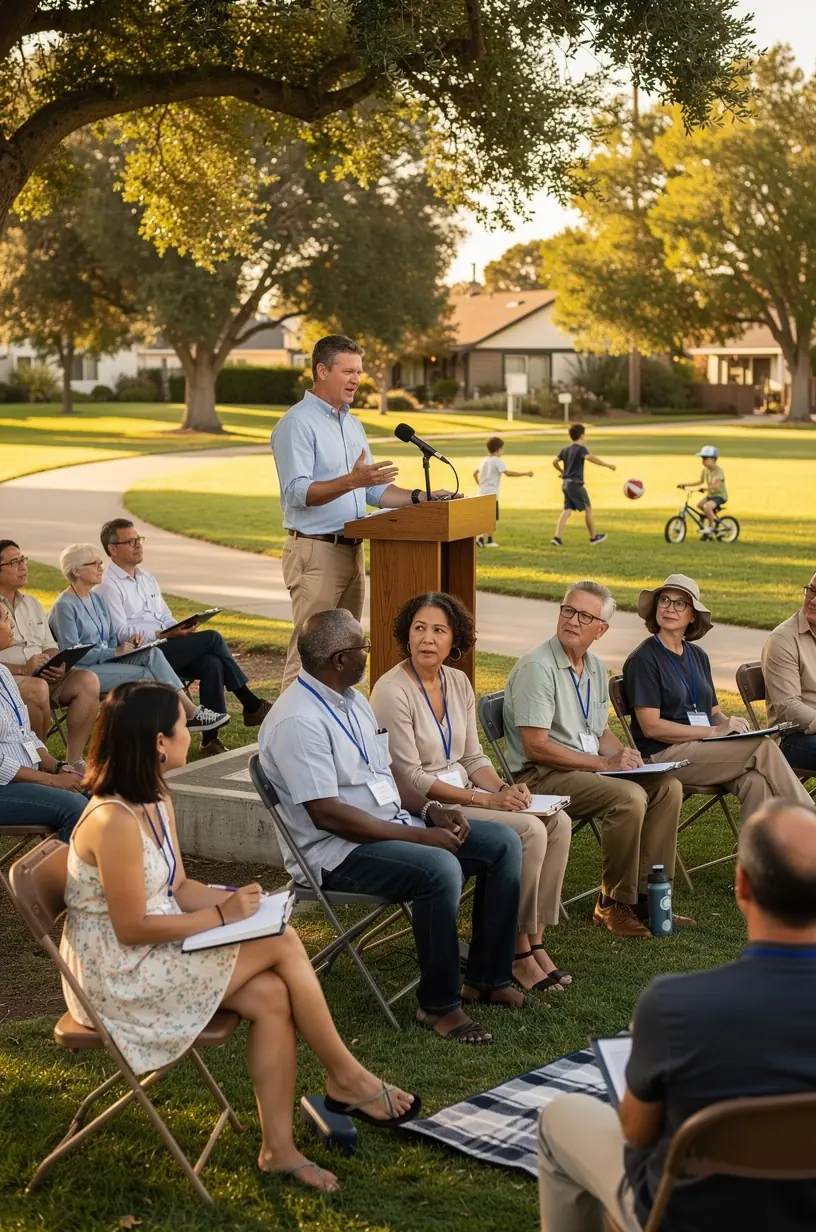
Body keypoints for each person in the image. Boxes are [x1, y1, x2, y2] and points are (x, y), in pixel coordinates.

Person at [60, 680, 420, 1194]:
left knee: (273, 994)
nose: (191, 732)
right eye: (183, 725)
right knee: (281, 944)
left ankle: (278, 1150)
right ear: (159, 742)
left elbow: (179, 887)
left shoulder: (157, 795)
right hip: (116, 978)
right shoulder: (112, 820)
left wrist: (240, 899)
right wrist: (224, 916)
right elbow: (130, 927)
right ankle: (348, 1076)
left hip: (153, 950)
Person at [537, 798, 816, 1232]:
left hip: (690, 1217)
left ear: (743, 887)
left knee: (560, 1117)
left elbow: (637, 1132)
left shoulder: (674, 1007)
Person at [259, 608, 526, 1044]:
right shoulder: (298, 721)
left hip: (389, 825)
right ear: (340, 659)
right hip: (336, 853)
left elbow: (387, 772)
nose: (369, 653)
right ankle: (438, 1006)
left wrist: (428, 810)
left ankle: (487, 979)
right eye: (362, 647)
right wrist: (421, 837)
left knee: (502, 843)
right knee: (439, 868)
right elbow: (328, 815)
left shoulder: (352, 699)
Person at [370, 591, 571, 994]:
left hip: (467, 795)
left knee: (558, 821)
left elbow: (472, 756)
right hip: (430, 809)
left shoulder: (458, 682)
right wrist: (486, 800)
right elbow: (410, 779)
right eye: (419, 629)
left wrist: (505, 789)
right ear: (406, 636)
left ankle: (534, 940)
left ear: (454, 639)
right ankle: (515, 952)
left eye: (438, 630)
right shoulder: (391, 691)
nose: (427, 639)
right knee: (528, 832)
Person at [271, 334, 458, 690]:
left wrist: (423, 497)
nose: (357, 379)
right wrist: (351, 480)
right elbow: (297, 493)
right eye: (348, 371)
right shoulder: (297, 424)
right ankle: (285, 744)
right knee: (309, 655)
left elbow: (372, 490)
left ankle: (335, 738)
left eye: (359, 371)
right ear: (322, 371)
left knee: (344, 654)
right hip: (314, 552)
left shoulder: (351, 423)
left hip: (352, 551)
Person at [503, 580, 684, 939]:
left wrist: (625, 758)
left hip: (584, 769)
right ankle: (611, 903)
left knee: (667, 786)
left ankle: (650, 895)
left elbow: (598, 733)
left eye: (585, 616)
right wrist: (605, 765)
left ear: (601, 630)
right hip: (541, 775)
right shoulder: (537, 667)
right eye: (568, 610)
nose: (573, 621)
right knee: (628, 798)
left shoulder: (596, 667)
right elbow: (536, 746)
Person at [621, 573, 814, 817]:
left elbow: (712, 713)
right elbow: (651, 727)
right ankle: (811, 822)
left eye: (680, 603)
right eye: (664, 601)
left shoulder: (698, 656)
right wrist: (713, 732)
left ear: (693, 616)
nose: (670, 608)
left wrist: (731, 725)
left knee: (756, 782)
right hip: (663, 755)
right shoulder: (644, 659)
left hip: (703, 749)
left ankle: (755, 853)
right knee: (762, 749)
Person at [97, 519, 270, 757]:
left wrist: (181, 628)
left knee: (213, 662)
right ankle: (250, 704)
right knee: (213, 639)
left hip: (168, 644)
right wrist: (162, 634)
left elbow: (164, 616)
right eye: (130, 541)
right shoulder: (108, 585)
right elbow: (120, 632)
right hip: (145, 654)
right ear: (112, 549)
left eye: (139, 539)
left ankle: (210, 740)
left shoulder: (147, 578)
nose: (138, 545)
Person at [49, 543, 228, 735]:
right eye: (94, 564)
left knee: (151, 652)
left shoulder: (97, 599)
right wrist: (114, 652)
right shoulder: (64, 606)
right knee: (148, 676)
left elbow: (109, 638)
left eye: (101, 562)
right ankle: (178, 723)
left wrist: (126, 645)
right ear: (76, 571)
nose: (101, 567)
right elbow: (73, 653)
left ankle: (188, 716)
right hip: (84, 672)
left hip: (106, 661)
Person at [0, 538, 99, 768]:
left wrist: (57, 664)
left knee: (88, 681)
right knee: (37, 688)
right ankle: (39, 762)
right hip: (9, 679)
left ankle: (74, 761)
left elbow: (49, 644)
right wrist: (24, 669)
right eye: (14, 562)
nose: (23, 566)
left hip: (44, 675)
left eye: (23, 560)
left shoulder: (32, 603)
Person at [0, 601, 87, 841]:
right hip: (5, 787)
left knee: (98, 794)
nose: (12, 626)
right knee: (76, 807)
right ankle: (56, 876)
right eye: (7, 619)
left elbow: (25, 733)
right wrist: (52, 781)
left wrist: (57, 766)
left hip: (27, 777)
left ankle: (112, 874)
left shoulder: (3, 673)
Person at [761, 573, 816, 775]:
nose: (813, 600)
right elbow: (789, 708)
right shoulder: (783, 639)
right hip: (792, 738)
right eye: (812, 590)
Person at [551, 424, 616, 548]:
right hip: (575, 484)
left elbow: (554, 462)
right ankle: (593, 537)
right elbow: (589, 457)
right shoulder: (581, 449)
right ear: (582, 436)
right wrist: (607, 465)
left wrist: (562, 472)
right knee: (588, 508)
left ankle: (557, 537)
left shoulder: (565, 449)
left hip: (565, 484)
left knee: (567, 510)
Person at [473, 436, 532, 548]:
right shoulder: (497, 461)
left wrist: (480, 484)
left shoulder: (484, 460)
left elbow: (475, 473)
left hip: (481, 492)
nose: (502, 451)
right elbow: (508, 473)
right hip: (491, 493)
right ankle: (484, 539)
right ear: (498, 449)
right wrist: (525, 473)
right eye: (502, 449)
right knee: (490, 518)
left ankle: (485, 539)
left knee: (485, 517)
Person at [677, 443, 727, 537]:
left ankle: (713, 527)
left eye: (705, 458)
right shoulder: (705, 470)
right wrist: (685, 485)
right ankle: (706, 523)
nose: (703, 461)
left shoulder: (718, 471)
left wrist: (706, 488)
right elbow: (699, 481)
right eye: (702, 458)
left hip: (719, 496)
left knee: (707, 507)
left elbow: (716, 484)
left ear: (714, 459)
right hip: (711, 496)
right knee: (700, 505)